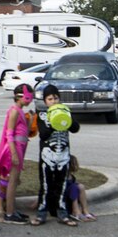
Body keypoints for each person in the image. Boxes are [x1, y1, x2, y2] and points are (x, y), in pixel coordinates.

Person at [31, 85, 74, 227]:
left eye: (56, 98)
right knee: (45, 185)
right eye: (50, 99)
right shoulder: (42, 114)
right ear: (45, 101)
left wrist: (67, 119)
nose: (54, 101)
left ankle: (63, 212)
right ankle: (41, 213)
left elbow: (76, 128)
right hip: (47, 156)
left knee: (61, 185)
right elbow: (43, 134)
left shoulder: (66, 112)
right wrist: (53, 123)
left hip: (63, 154)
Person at [0, 83, 35, 224]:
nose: (30, 100)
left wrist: (30, 121)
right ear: (19, 97)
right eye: (27, 97)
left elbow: (25, 132)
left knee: (14, 181)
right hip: (13, 149)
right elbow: (9, 134)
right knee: (12, 182)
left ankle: (12, 210)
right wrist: (13, 154)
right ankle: (9, 213)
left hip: (20, 147)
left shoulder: (20, 111)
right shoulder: (14, 111)